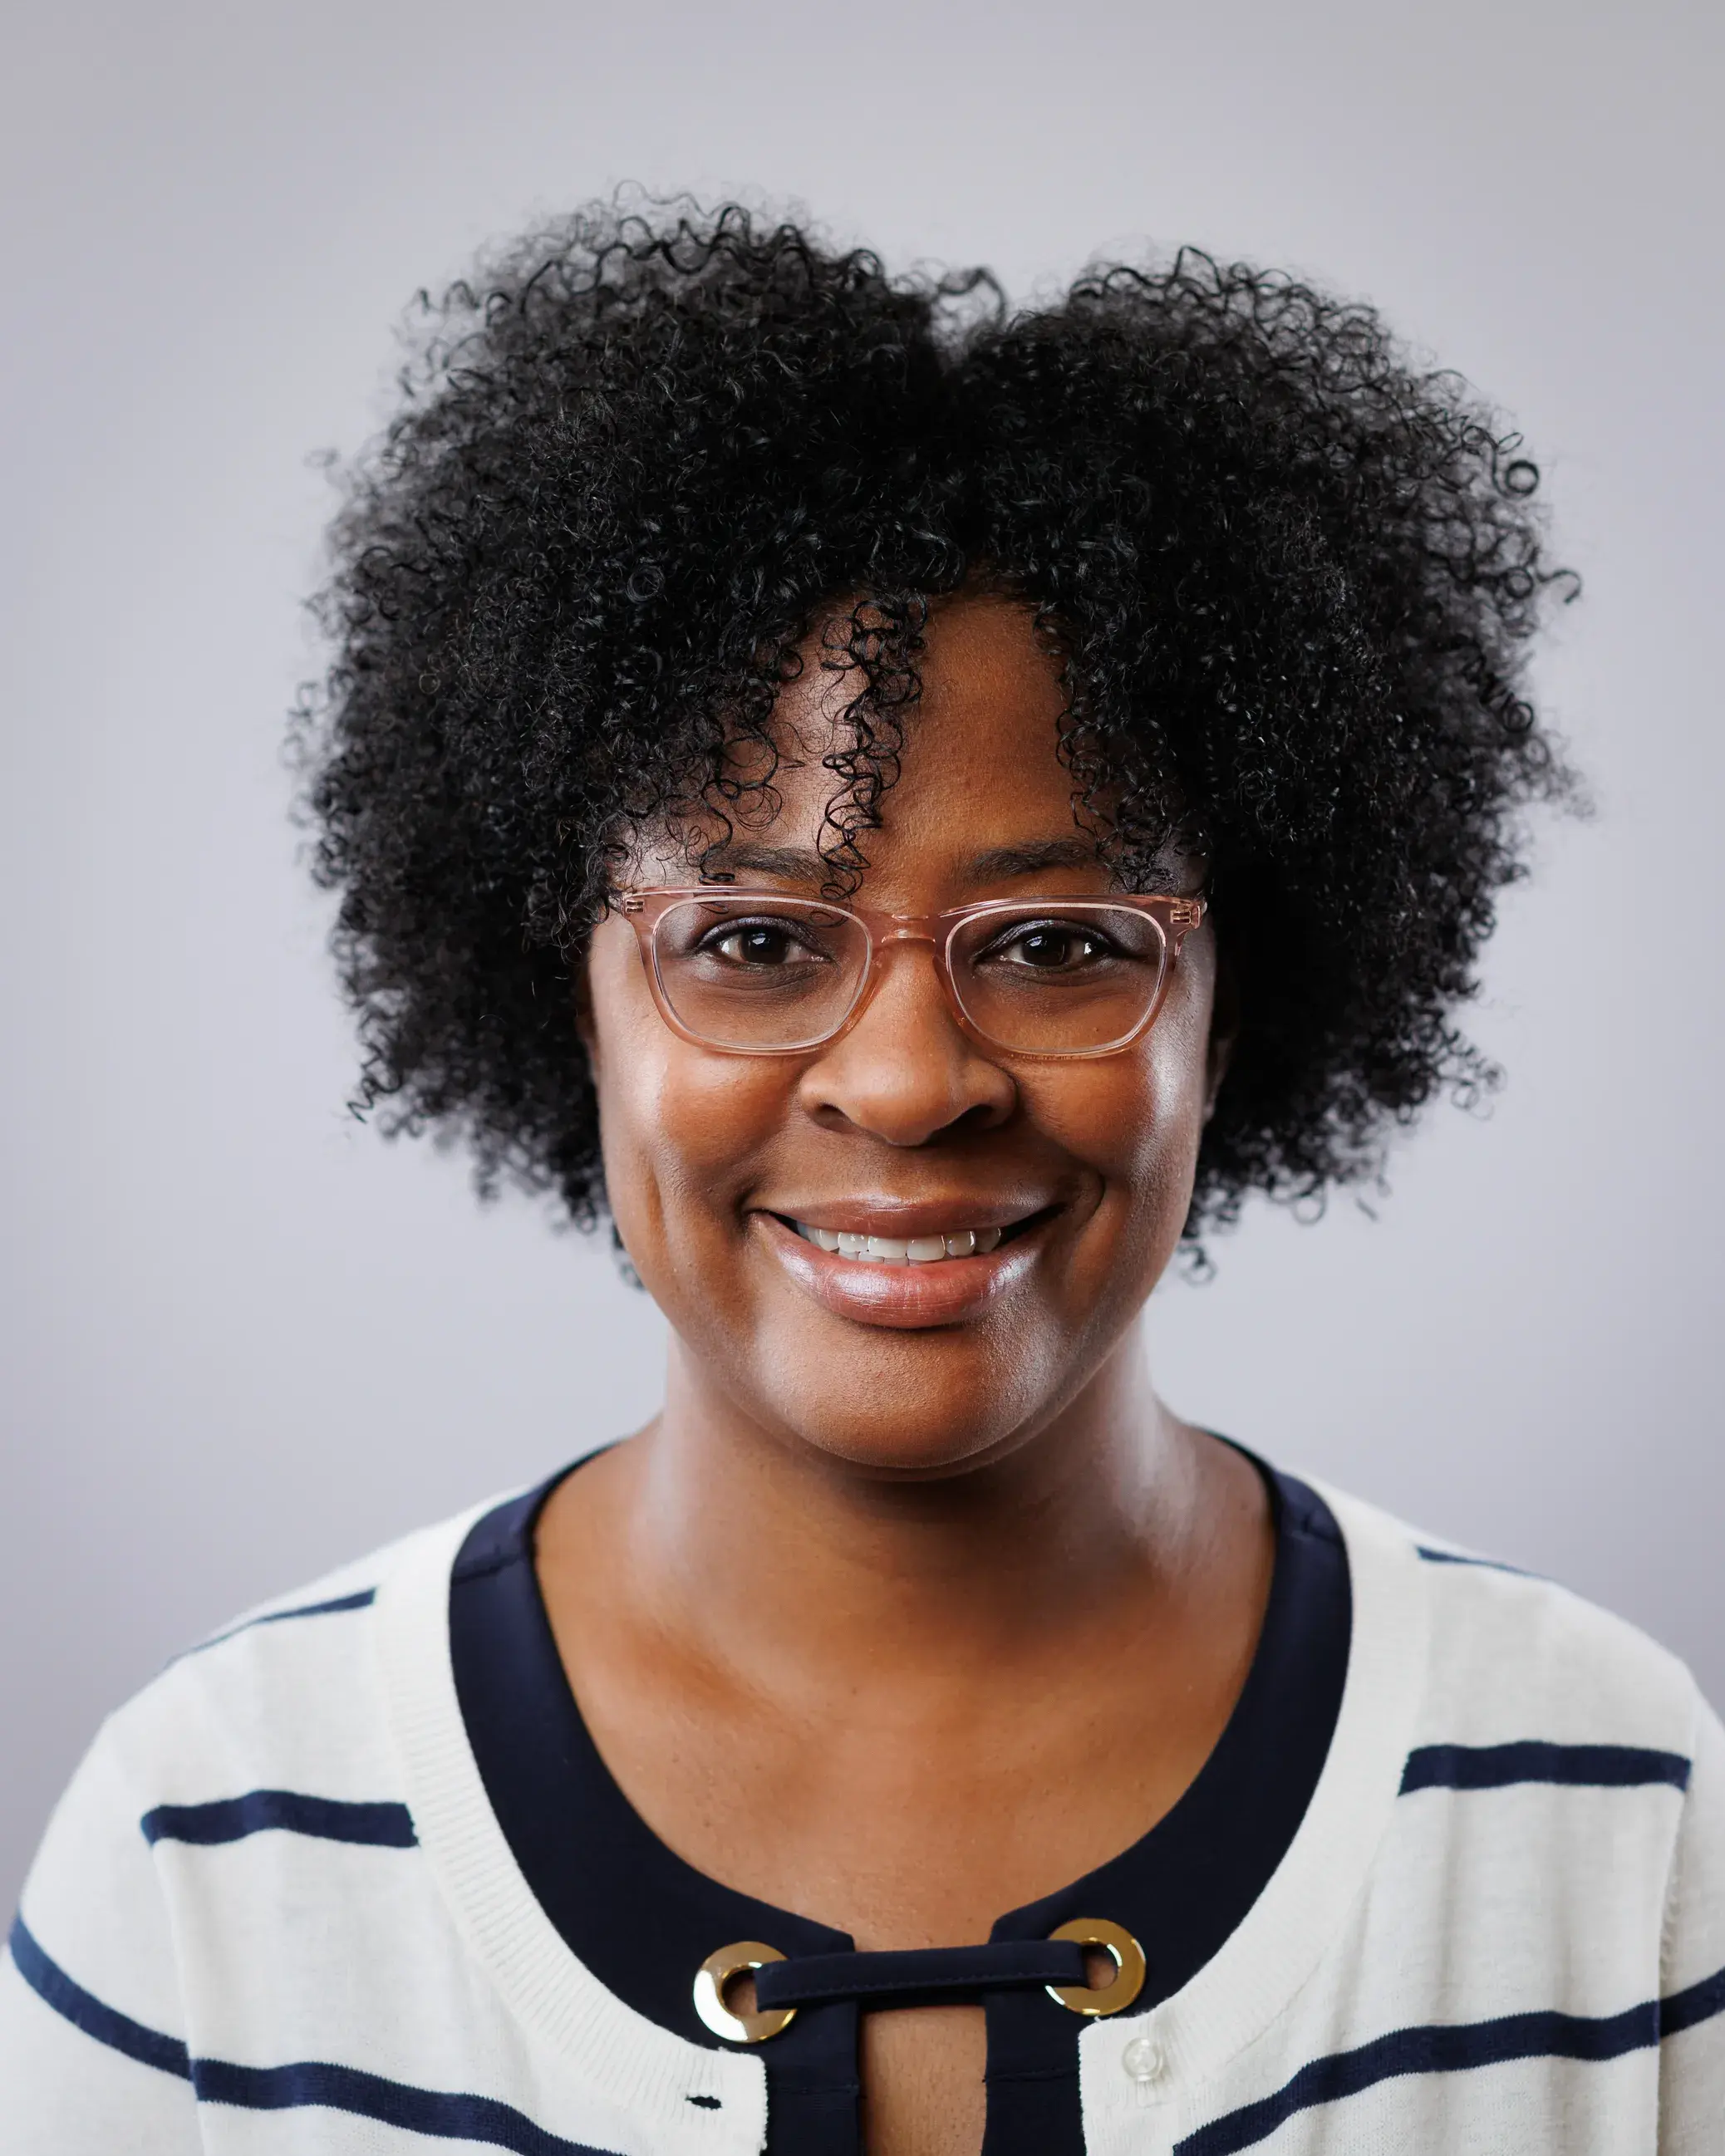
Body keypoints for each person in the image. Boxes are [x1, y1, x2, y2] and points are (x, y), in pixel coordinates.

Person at [3, 199, 1719, 2156]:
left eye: (1065, 939)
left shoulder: (1610, 1811)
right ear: (567, 998)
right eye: (750, 939)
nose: (907, 1083)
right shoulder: (211, 1848)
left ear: (1235, 1013)